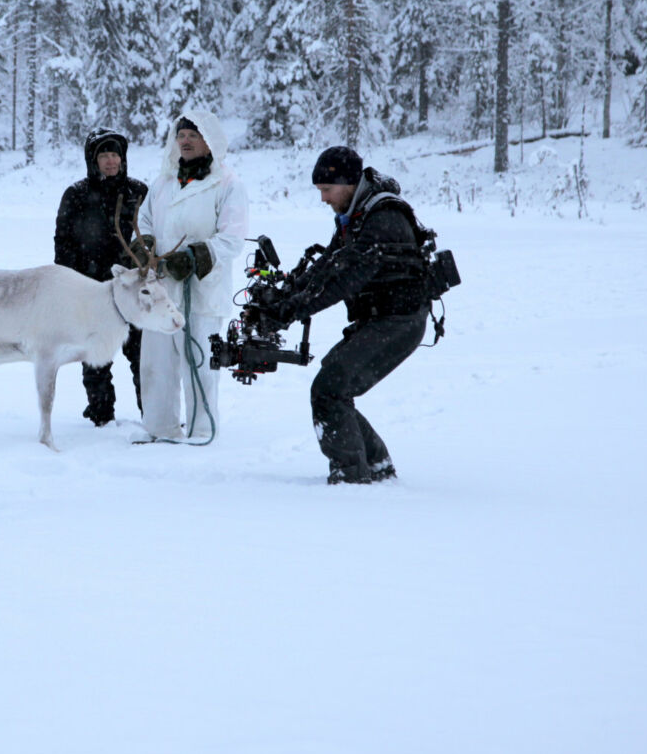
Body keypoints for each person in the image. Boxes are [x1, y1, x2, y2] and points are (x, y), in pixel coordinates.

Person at [247, 146, 429, 484]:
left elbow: (345, 280)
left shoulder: (383, 218)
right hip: (381, 318)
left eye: (327, 190)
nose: (324, 199)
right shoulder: (357, 215)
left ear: (348, 183)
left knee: (330, 389)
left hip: (400, 321)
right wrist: (286, 292)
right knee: (333, 385)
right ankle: (377, 468)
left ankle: (350, 477)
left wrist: (292, 310)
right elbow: (328, 265)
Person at [134, 110, 249, 444]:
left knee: (197, 362)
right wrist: (144, 246)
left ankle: (201, 431)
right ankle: (160, 428)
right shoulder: (164, 181)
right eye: (181, 135)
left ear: (208, 141)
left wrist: (197, 255)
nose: (185, 141)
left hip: (200, 289)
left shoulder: (227, 183)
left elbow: (233, 238)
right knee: (157, 362)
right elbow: (145, 220)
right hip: (162, 287)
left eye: (193, 135)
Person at [54, 127, 149, 427]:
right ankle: (101, 415)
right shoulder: (76, 194)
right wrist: (69, 285)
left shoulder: (139, 192)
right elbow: (63, 243)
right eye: (104, 155)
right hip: (93, 290)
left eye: (115, 154)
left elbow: (153, 236)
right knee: (96, 357)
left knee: (142, 355)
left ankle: (153, 413)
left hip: (134, 289)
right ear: (92, 160)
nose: (110, 161)